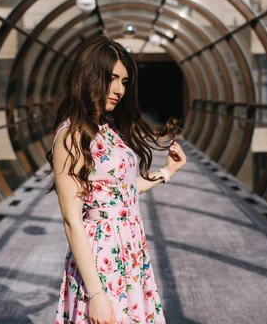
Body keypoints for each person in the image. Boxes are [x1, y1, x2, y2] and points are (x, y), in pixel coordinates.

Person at [47, 35, 187, 324]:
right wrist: (97, 295)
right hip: (101, 260)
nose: (120, 89)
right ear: (91, 76)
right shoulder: (71, 135)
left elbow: (123, 190)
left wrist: (167, 172)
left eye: (124, 82)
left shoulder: (107, 127)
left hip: (131, 253)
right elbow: (72, 220)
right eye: (113, 79)